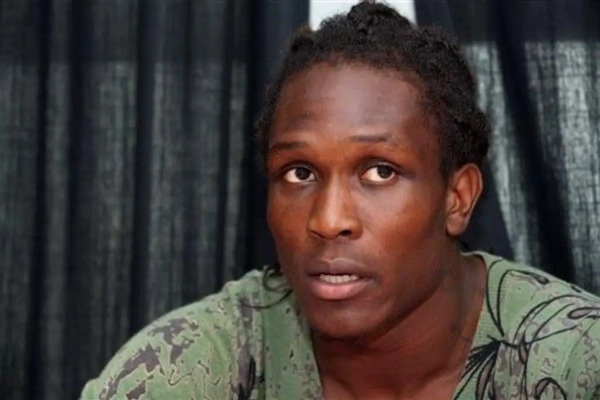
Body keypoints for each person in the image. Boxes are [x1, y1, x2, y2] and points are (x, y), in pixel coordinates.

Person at [80, 2, 600, 399]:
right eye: (299, 173)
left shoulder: (574, 362)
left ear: (456, 198)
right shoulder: (186, 367)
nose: (329, 221)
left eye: (380, 171)